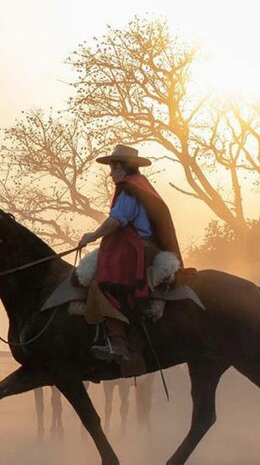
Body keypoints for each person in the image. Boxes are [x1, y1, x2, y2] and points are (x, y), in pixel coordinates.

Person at [78, 145, 182, 364]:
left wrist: (92, 236)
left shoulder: (129, 189)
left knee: (100, 281)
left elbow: (117, 220)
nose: (110, 174)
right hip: (142, 245)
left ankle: (117, 342)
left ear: (120, 168)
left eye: (112, 168)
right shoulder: (141, 185)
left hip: (137, 248)